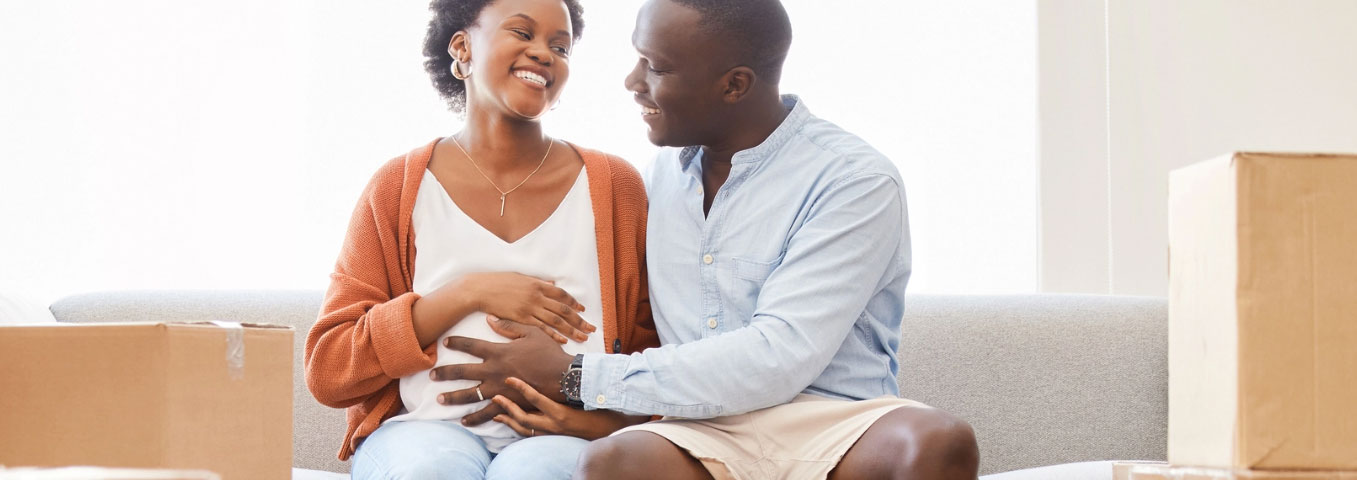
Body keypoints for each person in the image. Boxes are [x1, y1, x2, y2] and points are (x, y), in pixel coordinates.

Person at [428, 0, 982, 478]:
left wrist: (572, 375)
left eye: (657, 67)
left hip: (831, 421)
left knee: (938, 443)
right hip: (699, 429)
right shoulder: (654, 182)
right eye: (637, 57)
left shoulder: (855, 181)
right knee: (607, 465)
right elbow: (627, 323)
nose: (632, 81)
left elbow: (780, 354)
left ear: (734, 84)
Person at [301, 0, 659, 478]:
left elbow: (659, 358)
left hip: (563, 437)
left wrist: (597, 423)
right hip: (421, 432)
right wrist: (468, 292)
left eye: (560, 46)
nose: (544, 54)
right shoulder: (398, 186)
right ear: (462, 48)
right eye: (522, 33)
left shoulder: (616, 187)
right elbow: (329, 367)